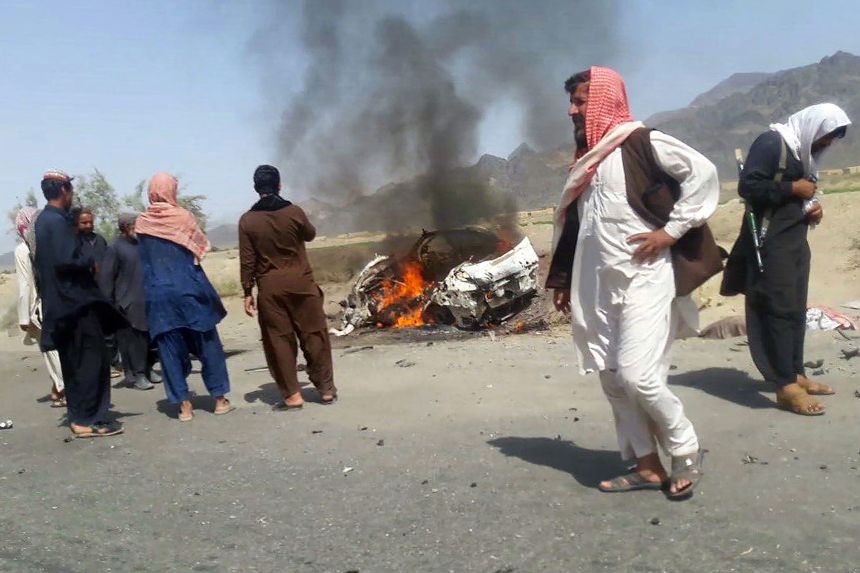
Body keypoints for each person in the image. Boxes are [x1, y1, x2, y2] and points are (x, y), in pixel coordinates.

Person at [546, 67, 722, 500]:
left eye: (581, 101)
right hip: (598, 284)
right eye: (571, 102)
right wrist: (566, 282)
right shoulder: (589, 161)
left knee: (640, 375)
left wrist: (672, 231)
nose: (573, 110)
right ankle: (646, 466)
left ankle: (685, 450)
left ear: (604, 100)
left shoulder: (641, 142)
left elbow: (702, 173)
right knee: (612, 378)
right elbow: (579, 229)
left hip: (646, 277)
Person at [721, 104, 850, 416]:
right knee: (778, 309)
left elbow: (806, 194)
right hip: (769, 242)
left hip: (794, 241)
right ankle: (785, 386)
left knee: (795, 309)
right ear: (813, 128)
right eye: (826, 137)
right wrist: (793, 187)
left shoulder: (802, 153)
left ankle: (796, 373)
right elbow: (748, 186)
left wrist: (812, 207)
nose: (828, 144)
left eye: (832, 139)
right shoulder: (772, 143)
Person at [34, 170, 126, 438]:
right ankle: (89, 420)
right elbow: (65, 260)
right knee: (90, 361)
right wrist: (89, 262)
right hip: (75, 306)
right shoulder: (58, 222)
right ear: (64, 190)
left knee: (75, 364)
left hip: (62, 306)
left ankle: (79, 418)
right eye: (70, 188)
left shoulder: (44, 221)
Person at [135, 172, 233, 422]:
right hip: (190, 290)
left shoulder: (142, 224)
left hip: (159, 296)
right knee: (208, 344)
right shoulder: (183, 217)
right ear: (171, 191)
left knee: (169, 350)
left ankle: (184, 406)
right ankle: (220, 399)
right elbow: (199, 249)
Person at [239, 165, 337, 410]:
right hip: (302, 284)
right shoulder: (294, 212)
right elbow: (310, 234)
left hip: (270, 289)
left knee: (279, 340)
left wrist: (246, 292)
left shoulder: (247, 220)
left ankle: (292, 395)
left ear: (255, 188)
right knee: (314, 334)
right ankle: (325, 390)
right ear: (279, 185)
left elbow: (247, 260)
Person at [98, 212, 157, 391]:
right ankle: (137, 375)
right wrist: (109, 305)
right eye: (135, 226)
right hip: (126, 303)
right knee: (133, 341)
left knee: (148, 337)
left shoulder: (143, 245)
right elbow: (106, 278)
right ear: (125, 227)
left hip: (146, 298)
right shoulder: (115, 248)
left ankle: (148, 369)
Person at [14, 206, 65, 407]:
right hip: (59, 301)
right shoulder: (49, 242)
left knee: (51, 351)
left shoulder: (22, 249)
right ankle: (58, 390)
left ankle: (63, 390)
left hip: (40, 308)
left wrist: (24, 318)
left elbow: (25, 284)